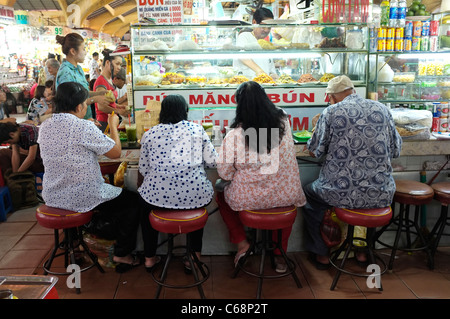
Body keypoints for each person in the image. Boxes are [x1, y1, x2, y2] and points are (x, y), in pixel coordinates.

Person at [37, 81, 141, 273]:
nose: (86, 108)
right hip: (83, 195)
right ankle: (122, 253)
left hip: (53, 195)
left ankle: (77, 243)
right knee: (133, 202)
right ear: (78, 106)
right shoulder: (83, 127)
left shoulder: (45, 126)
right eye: (85, 104)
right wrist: (113, 126)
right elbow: (115, 151)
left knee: (116, 199)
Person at [303, 75, 402, 270]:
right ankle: (362, 252)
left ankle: (322, 254)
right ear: (353, 91)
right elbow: (396, 149)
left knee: (309, 194)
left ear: (331, 96)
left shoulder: (331, 112)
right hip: (381, 191)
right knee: (369, 201)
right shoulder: (382, 109)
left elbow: (315, 151)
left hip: (338, 191)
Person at [216, 81, 306, 272]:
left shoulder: (235, 134)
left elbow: (224, 173)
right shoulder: (284, 122)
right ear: (266, 99)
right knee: (282, 202)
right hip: (286, 195)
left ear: (239, 106)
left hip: (249, 199)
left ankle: (242, 244)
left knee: (221, 196)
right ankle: (280, 255)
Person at [138, 94, 218, 272]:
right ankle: (194, 257)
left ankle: (149, 258)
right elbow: (213, 162)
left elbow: (143, 169)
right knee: (196, 202)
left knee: (144, 208)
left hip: (155, 197)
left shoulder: (150, 134)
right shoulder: (197, 130)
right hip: (195, 194)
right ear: (186, 111)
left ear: (162, 112)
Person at [54, 33, 109, 123]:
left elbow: (83, 93)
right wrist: (95, 99)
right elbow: (71, 104)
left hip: (85, 120)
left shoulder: (78, 69)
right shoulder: (65, 72)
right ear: (73, 51)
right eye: (83, 49)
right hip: (73, 124)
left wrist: (100, 93)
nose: (85, 52)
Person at [233, 8, 278, 79]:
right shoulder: (245, 36)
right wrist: (259, 71)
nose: (266, 30)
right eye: (263, 26)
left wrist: (274, 77)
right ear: (254, 22)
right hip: (247, 85)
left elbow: (271, 71)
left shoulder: (266, 44)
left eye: (269, 27)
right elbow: (242, 56)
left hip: (263, 85)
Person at [94, 49, 130, 132]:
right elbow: (101, 107)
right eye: (117, 64)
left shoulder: (109, 79)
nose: (119, 68)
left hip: (112, 121)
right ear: (107, 63)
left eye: (120, 65)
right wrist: (119, 111)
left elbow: (109, 102)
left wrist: (118, 106)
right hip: (104, 123)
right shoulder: (101, 82)